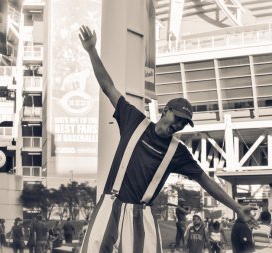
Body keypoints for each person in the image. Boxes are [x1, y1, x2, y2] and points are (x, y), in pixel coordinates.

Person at [78, 25, 257, 253]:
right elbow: (108, 86)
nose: (179, 124)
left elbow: (207, 181)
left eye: (184, 122)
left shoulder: (177, 151)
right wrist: (92, 50)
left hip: (139, 215)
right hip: (109, 206)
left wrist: (236, 207)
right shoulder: (134, 120)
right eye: (178, 117)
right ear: (165, 111)